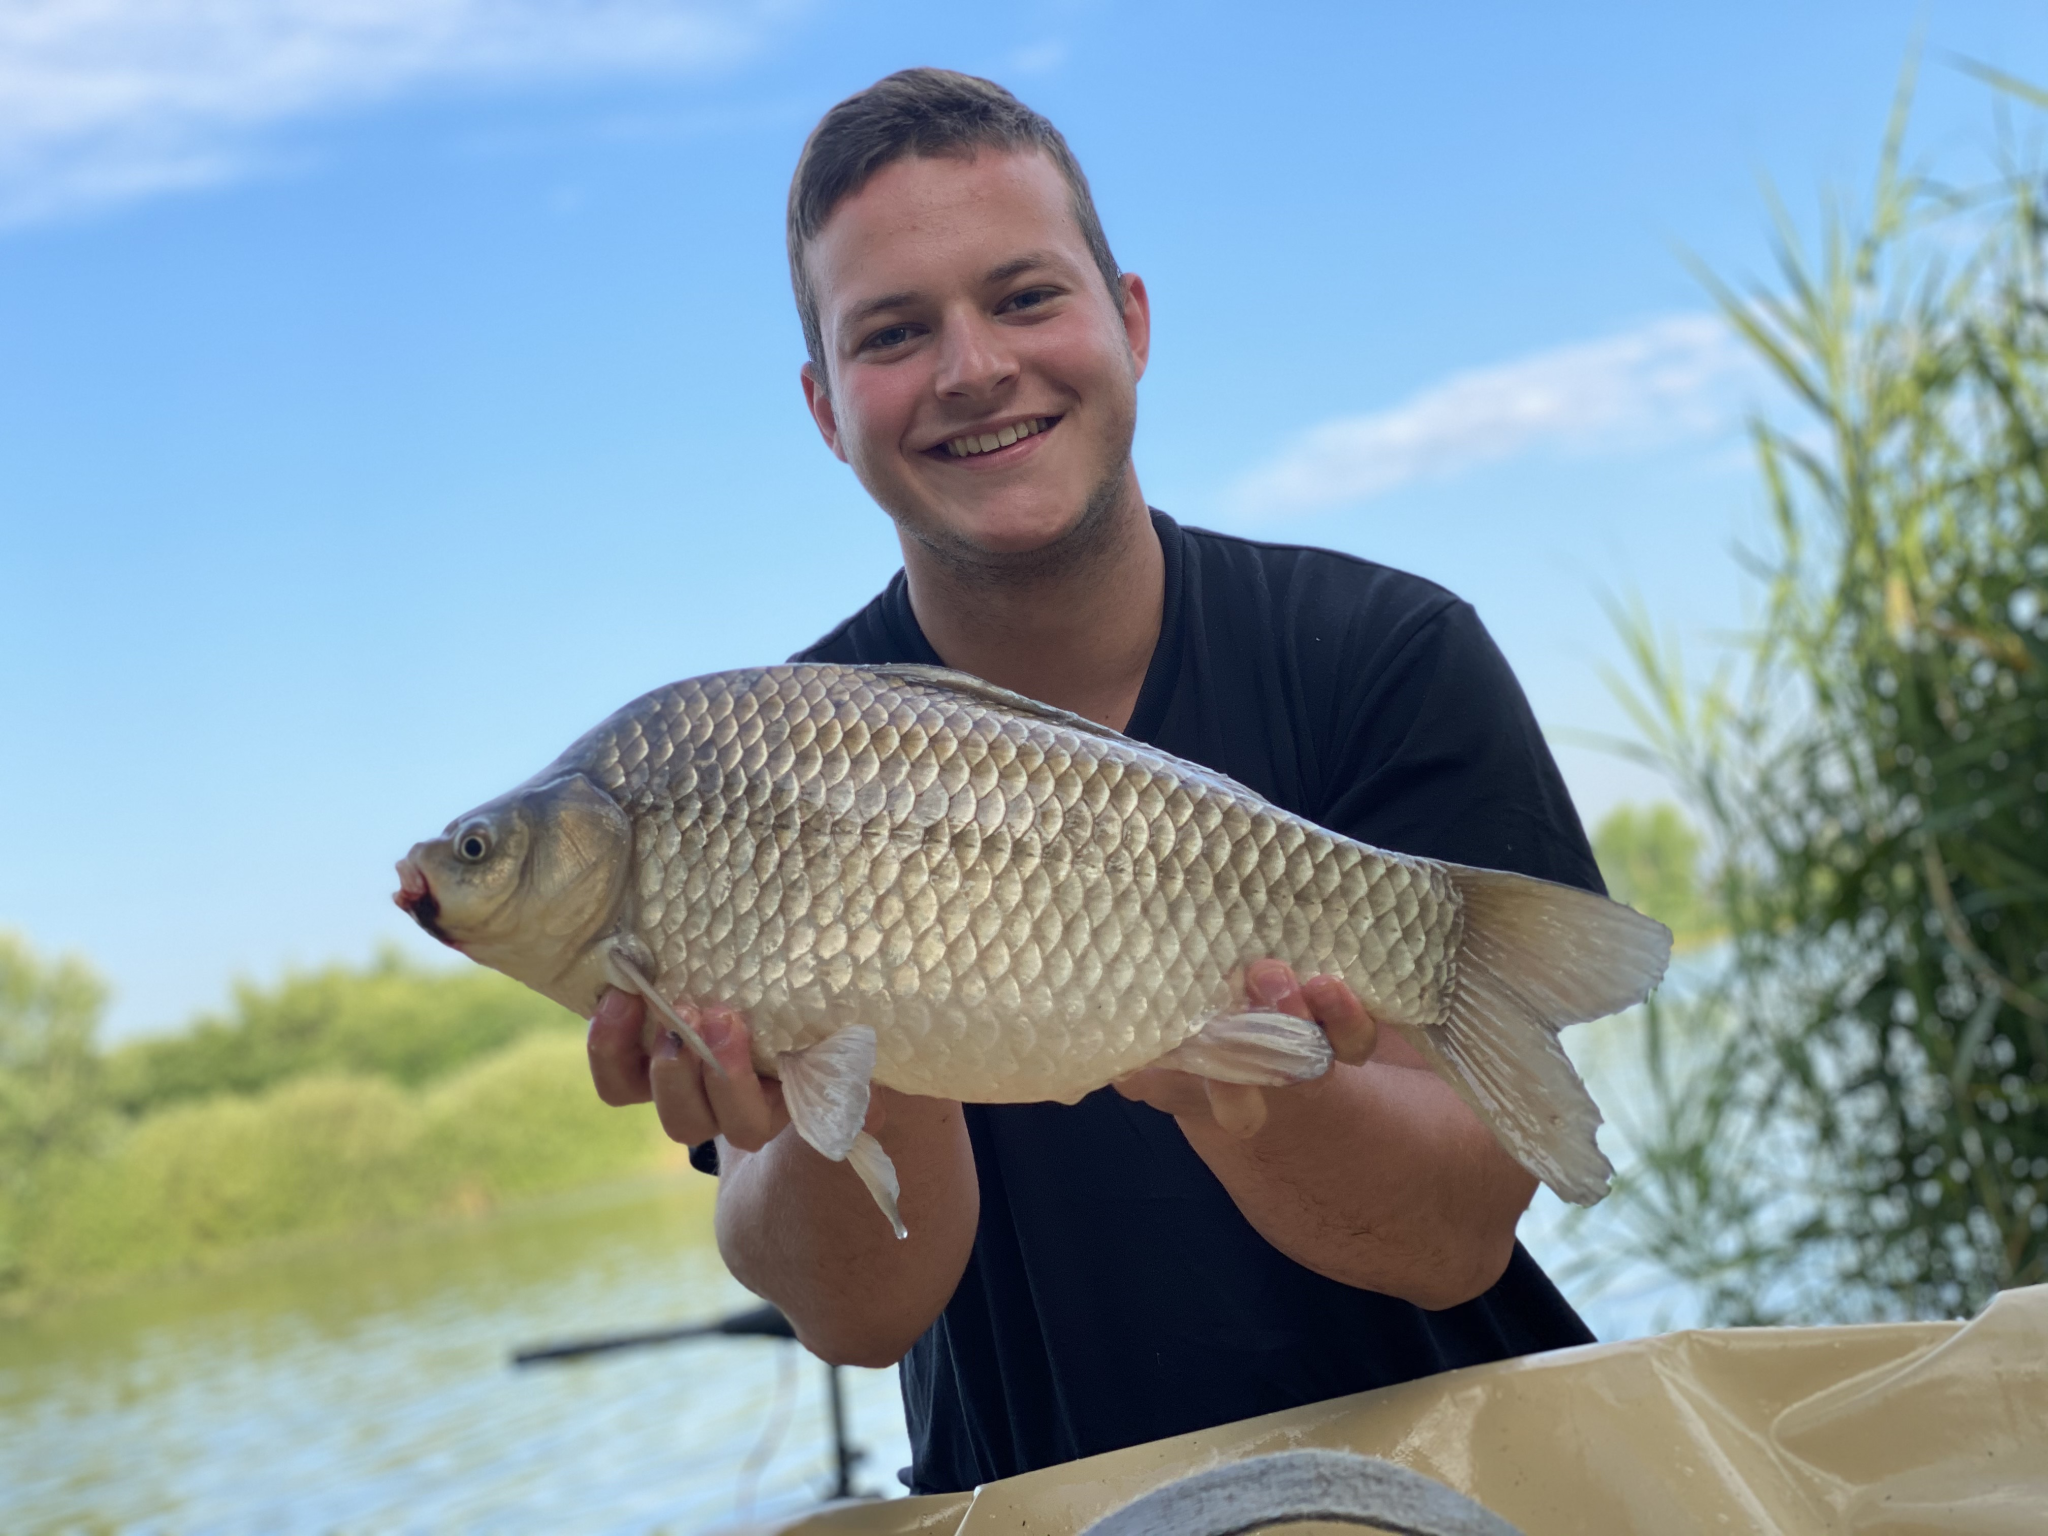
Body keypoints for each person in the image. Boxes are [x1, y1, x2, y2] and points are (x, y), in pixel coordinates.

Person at [585, 67, 1603, 1496]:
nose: (972, 367)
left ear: (1129, 320)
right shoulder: (764, 756)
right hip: (1039, 1501)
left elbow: (1457, 1239)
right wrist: (864, 1039)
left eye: (1023, 297)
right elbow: (860, 1318)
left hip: (1447, 1476)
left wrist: (1247, 1073)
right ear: (825, 408)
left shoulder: (1386, 651)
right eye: (893, 333)